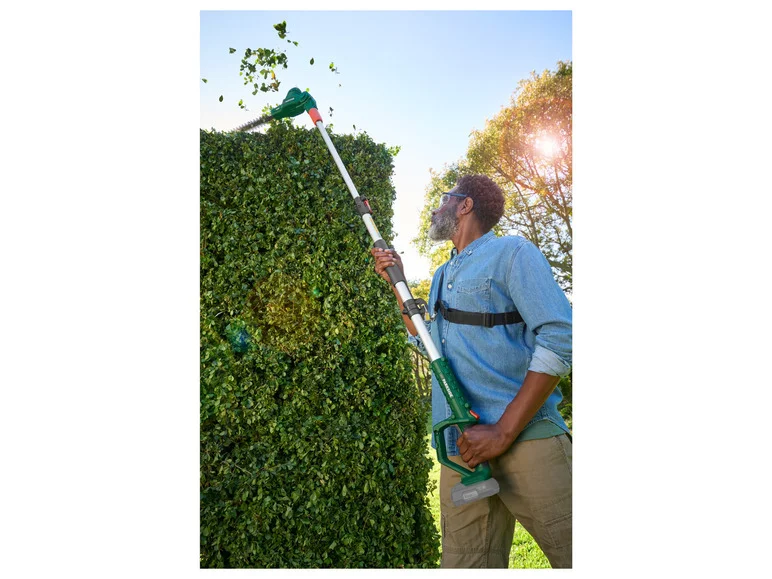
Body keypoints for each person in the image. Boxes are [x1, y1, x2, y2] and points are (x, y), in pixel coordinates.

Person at [370, 174, 572, 568]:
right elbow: (427, 341)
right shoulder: (444, 275)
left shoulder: (513, 252)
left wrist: (503, 430)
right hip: (462, 454)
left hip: (527, 439)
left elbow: (560, 334)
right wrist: (396, 282)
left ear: (465, 205)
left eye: (444, 199)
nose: (434, 207)